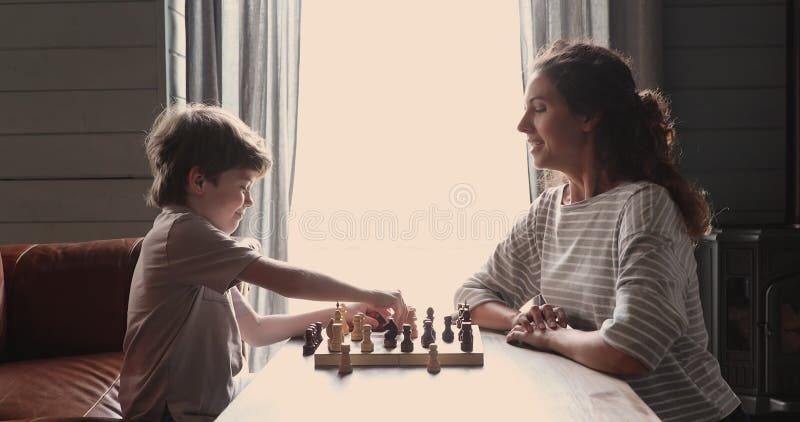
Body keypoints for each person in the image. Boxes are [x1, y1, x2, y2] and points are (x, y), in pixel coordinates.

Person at [454, 40, 747, 422]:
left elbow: (629, 349)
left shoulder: (644, 206)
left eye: (539, 109)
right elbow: (468, 297)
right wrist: (521, 321)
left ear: (588, 116)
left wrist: (547, 336)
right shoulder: (549, 210)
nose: (523, 125)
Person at [120, 103, 408, 421]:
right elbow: (289, 281)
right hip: (169, 415)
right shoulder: (182, 233)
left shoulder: (203, 248)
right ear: (198, 182)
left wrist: (344, 313)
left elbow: (255, 330)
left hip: (213, 402)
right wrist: (369, 294)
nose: (250, 201)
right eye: (243, 187)